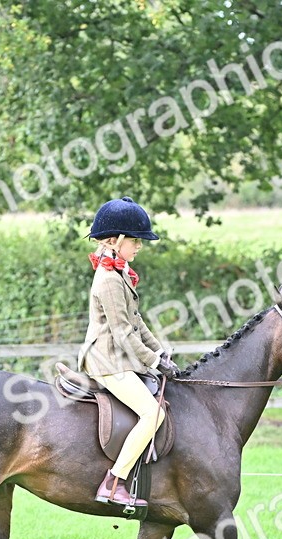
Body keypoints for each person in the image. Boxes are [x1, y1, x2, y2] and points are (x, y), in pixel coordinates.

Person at [78, 197, 179, 509]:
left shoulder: (120, 274)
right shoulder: (108, 280)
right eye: (135, 241)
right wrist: (152, 361)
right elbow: (122, 333)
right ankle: (114, 482)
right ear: (114, 241)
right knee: (153, 413)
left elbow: (137, 323)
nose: (139, 247)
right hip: (106, 360)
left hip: (119, 356)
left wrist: (159, 353)